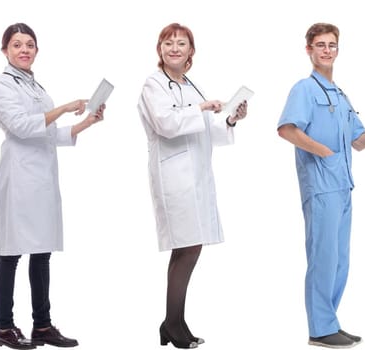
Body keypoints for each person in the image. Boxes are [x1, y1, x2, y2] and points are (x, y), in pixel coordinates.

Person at [277, 23, 365, 349]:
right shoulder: (304, 89)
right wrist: (324, 152)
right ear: (309, 50)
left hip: (343, 186)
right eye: (319, 45)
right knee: (323, 257)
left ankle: (329, 322)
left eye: (331, 45)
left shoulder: (340, 95)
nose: (326, 50)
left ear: (337, 49)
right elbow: (286, 129)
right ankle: (319, 328)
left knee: (339, 260)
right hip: (321, 186)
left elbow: (359, 142)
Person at [0, 22, 104, 350]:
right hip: (20, 177)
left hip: (42, 178)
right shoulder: (2, 86)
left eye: (30, 45)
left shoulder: (36, 87)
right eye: (17, 45)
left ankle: (42, 326)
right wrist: (66, 107)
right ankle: (4, 327)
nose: (24, 50)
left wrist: (85, 123)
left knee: (42, 252)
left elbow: (49, 134)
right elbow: (23, 127)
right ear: (5, 51)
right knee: (11, 252)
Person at [136, 23, 248, 349]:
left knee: (188, 246)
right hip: (174, 178)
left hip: (195, 177)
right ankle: (172, 323)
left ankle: (175, 322)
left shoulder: (190, 84)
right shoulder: (153, 84)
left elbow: (203, 129)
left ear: (190, 51)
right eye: (168, 43)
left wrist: (229, 118)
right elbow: (167, 124)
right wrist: (201, 108)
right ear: (160, 49)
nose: (174, 48)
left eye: (181, 43)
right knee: (187, 247)